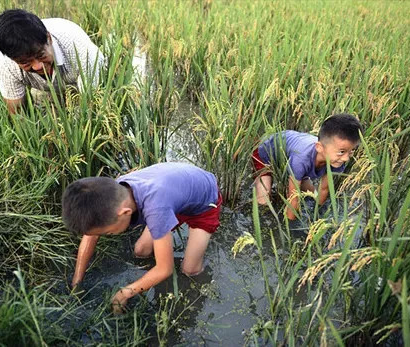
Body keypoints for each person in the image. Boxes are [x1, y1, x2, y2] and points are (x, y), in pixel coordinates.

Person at [62, 162, 222, 313]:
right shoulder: (111, 193)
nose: (106, 235)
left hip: (204, 203)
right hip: (174, 193)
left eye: (108, 233)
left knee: (189, 271)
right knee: (141, 250)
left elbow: (165, 269)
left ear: (125, 213)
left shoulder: (156, 210)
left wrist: (125, 293)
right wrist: (77, 282)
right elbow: (90, 236)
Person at [0, 9, 105, 115]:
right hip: (43, 89)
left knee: (79, 115)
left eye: (40, 55)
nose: (37, 66)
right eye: (25, 62)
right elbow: (17, 114)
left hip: (79, 79)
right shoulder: (6, 65)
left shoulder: (82, 52)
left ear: (49, 38)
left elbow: (90, 106)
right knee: (46, 121)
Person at [252, 114, 363, 220]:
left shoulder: (338, 160)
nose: (346, 159)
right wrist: (290, 229)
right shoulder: (301, 158)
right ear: (320, 147)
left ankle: (298, 176)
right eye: (342, 152)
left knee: (313, 196)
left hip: (294, 157)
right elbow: (293, 198)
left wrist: (317, 217)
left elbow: (324, 189)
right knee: (264, 200)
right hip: (266, 154)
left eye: (351, 151)